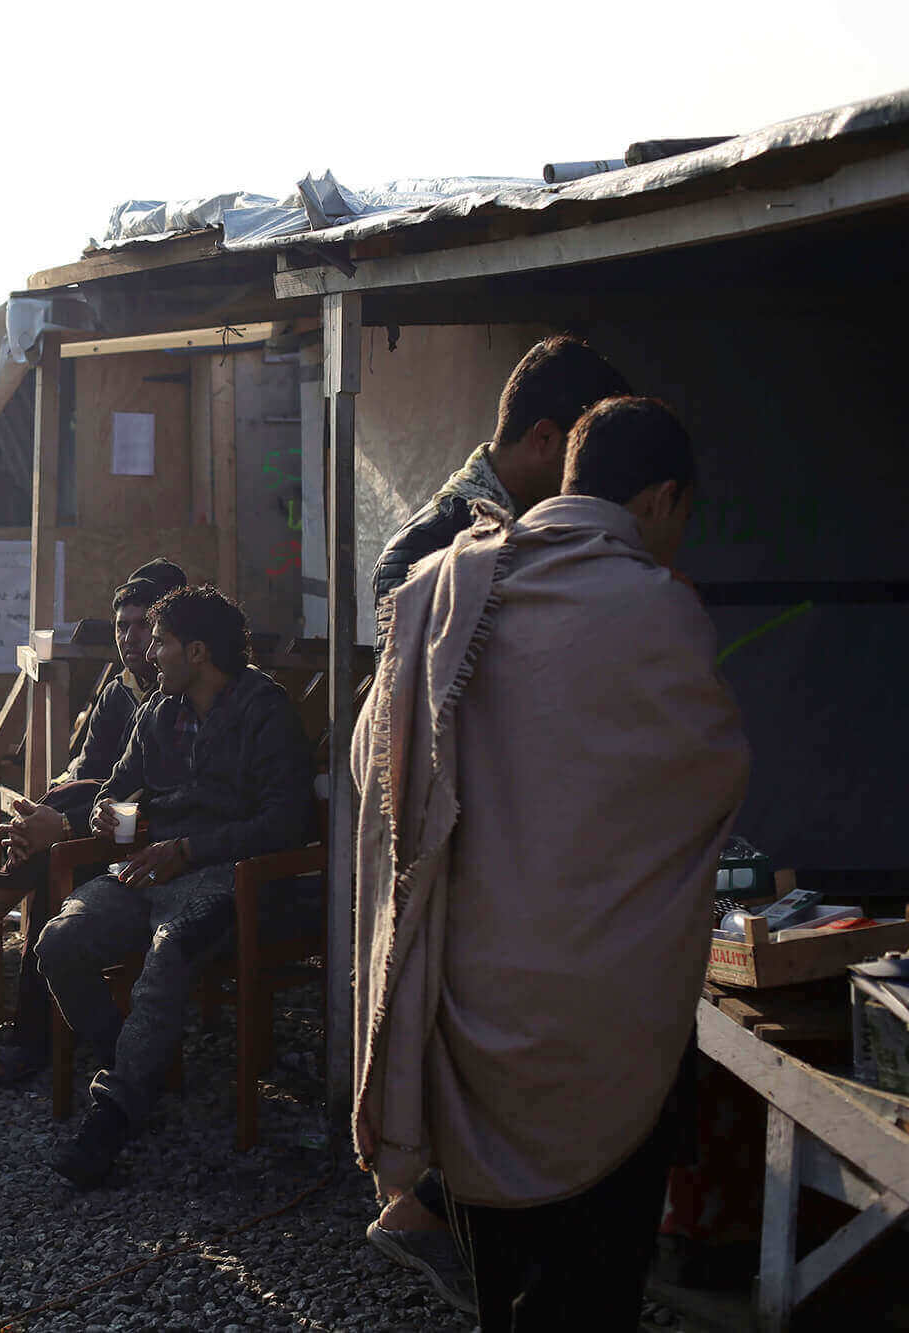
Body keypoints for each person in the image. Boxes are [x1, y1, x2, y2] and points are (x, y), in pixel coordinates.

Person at [354, 398, 747, 1332]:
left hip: (466, 1010)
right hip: (605, 1026)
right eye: (680, 517)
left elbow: (382, 782)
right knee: (594, 1290)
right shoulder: (658, 608)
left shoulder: (441, 589)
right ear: (660, 498)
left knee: (504, 1294)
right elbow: (713, 781)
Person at [363, 333, 630, 1304]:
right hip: (468, 858)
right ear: (549, 437)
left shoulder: (509, 527)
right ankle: (440, 1221)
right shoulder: (442, 542)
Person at [36, 585, 314, 1188]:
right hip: (144, 869)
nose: (149, 654)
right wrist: (101, 814)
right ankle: (135, 1067)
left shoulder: (262, 710)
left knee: (167, 958)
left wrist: (189, 849)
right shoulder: (156, 712)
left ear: (196, 651)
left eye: (159, 642)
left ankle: (110, 1116)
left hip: (225, 877)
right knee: (59, 941)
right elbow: (114, 787)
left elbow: (286, 821)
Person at [0, 557, 186, 1080]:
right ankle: (35, 1035)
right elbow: (92, 771)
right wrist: (52, 812)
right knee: (49, 849)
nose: (129, 637)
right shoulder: (119, 691)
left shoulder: (187, 697)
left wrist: (64, 819)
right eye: (121, 626)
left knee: (52, 840)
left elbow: (156, 793)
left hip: (150, 839)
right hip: (100, 832)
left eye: (142, 625)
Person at [372, 335, 630, 612]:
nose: (597, 470)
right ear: (544, 438)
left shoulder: (564, 530)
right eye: (586, 450)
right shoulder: (422, 550)